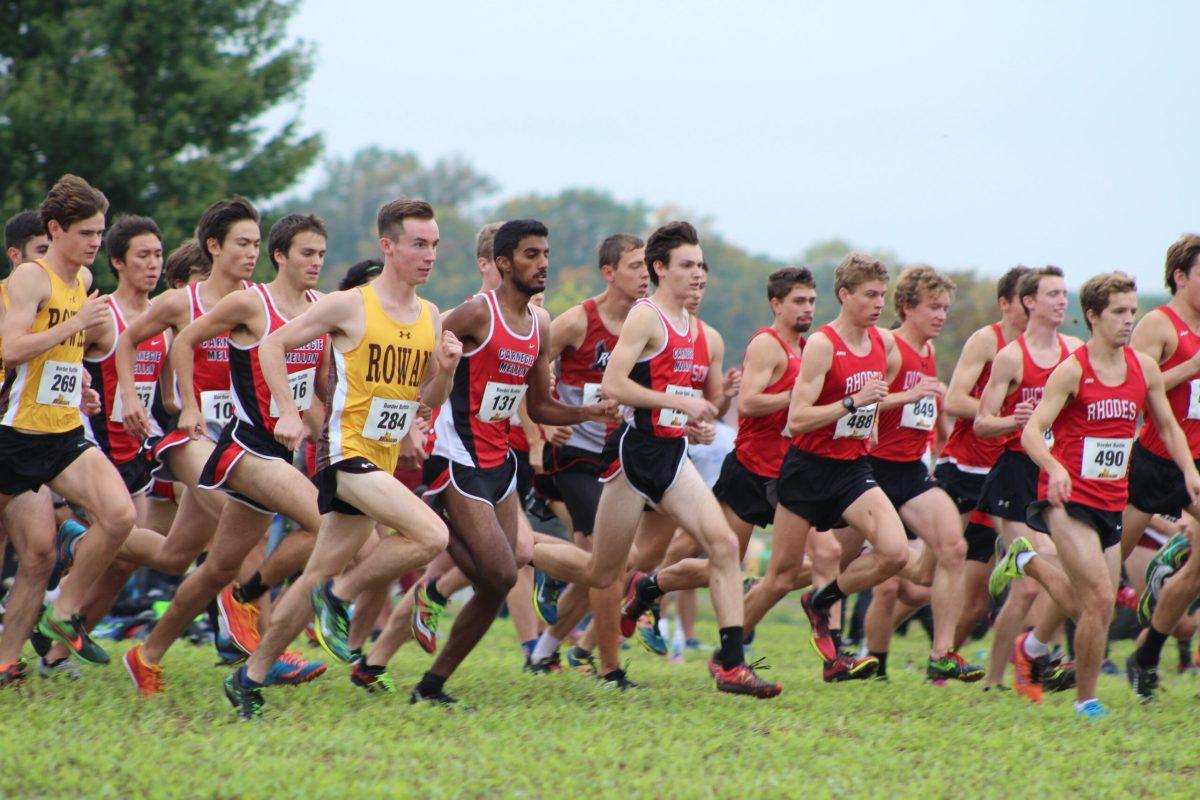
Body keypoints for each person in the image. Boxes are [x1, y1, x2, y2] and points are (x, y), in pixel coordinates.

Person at [227, 199, 458, 717]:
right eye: (419, 244)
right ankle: (340, 596)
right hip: (344, 453)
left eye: (435, 245)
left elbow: (430, 398)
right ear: (389, 247)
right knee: (432, 536)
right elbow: (272, 347)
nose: (429, 256)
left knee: (314, 573)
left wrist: (444, 369)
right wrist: (287, 409)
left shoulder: (430, 315)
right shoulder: (348, 304)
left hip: (382, 458)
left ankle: (249, 676)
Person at [532, 222, 780, 697]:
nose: (696, 274)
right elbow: (614, 386)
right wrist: (682, 403)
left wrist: (693, 422)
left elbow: (671, 398)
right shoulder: (646, 317)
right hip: (632, 456)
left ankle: (731, 665)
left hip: (671, 453)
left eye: (701, 265)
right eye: (686, 265)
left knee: (725, 546)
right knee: (601, 572)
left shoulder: (697, 329)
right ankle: (530, 554)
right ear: (660, 269)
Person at [124, 213, 332, 695]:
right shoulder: (204, 301)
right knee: (319, 525)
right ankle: (256, 629)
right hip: (200, 441)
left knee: (193, 559)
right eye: (243, 243)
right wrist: (182, 403)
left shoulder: (308, 306)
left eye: (257, 243)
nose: (251, 253)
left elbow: (317, 387)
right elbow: (150, 341)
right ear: (214, 246)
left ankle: (146, 651)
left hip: (260, 445)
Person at [1018, 273, 1200, 718]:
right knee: (1099, 597)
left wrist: (1189, 469)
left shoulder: (1144, 368)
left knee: (1091, 603)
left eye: (1133, 311)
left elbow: (1167, 425)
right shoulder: (1073, 369)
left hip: (1110, 499)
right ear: (1093, 316)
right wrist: (1055, 466)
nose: (1128, 320)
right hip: (1067, 499)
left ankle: (1028, 566)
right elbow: (1031, 433)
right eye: (1119, 312)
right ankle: (1088, 701)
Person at [618, 267, 815, 656]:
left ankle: (734, 625)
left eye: (811, 300)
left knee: (821, 559)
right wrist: (793, 399)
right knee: (715, 563)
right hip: (748, 471)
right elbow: (748, 405)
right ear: (776, 304)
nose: (807, 307)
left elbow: (716, 404)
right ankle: (647, 589)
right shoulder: (766, 344)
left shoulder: (807, 350)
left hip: (790, 472)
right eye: (798, 300)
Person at [0, 175, 136, 667]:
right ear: (55, 229)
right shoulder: (31, 278)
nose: (96, 243)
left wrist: (78, 379)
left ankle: (63, 611)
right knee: (31, 553)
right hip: (13, 435)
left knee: (119, 516)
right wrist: (78, 325)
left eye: (100, 233)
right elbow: (11, 348)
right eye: (87, 233)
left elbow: (60, 349)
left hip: (62, 431)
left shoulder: (82, 281)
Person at [523, 234, 647, 673]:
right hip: (573, 451)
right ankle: (610, 670)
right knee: (605, 559)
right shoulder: (578, 321)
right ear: (609, 272)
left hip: (620, 455)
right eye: (636, 266)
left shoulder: (649, 324)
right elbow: (523, 370)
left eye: (649, 266)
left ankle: (542, 650)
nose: (646, 275)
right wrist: (544, 424)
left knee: (608, 565)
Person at [861, 265, 982, 681]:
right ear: (908, 307)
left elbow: (926, 412)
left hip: (911, 472)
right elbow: (863, 404)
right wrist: (906, 396)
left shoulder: (929, 353)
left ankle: (941, 654)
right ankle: (866, 655)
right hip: (868, 472)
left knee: (953, 549)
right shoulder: (889, 347)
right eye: (934, 307)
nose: (942, 316)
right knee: (819, 570)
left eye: (946, 308)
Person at [974, 266, 1083, 692]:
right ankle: (994, 681)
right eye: (1052, 294)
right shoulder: (1011, 356)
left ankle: (1033, 659)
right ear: (1029, 302)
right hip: (1015, 474)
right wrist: (1009, 422)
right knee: (1023, 589)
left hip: (1056, 471)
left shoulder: (1076, 351)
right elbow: (981, 423)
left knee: (1055, 573)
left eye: (1064, 293)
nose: (1061, 301)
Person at [0, 208, 86, 685]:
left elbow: (56, 364)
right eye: (40, 256)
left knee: (37, 552)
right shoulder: (10, 297)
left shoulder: (63, 295)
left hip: (28, 440)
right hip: (9, 434)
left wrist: (80, 386)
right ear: (18, 259)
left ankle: (7, 661)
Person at [937, 266, 1030, 647]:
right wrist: (1004, 419)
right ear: (1006, 304)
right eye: (1025, 300)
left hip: (1004, 475)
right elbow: (954, 400)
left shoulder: (1045, 352)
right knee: (921, 575)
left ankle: (940, 665)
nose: (1032, 307)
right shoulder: (986, 341)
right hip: (963, 466)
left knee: (976, 602)